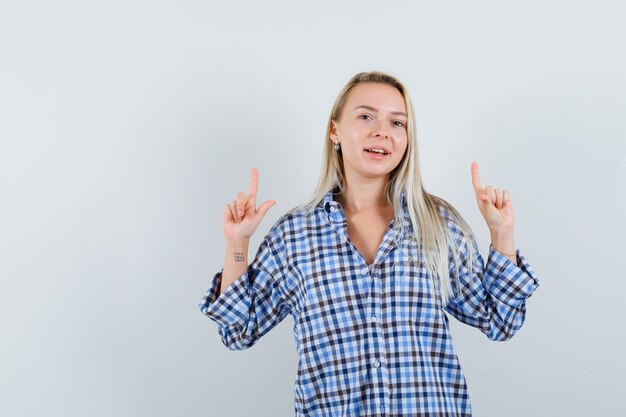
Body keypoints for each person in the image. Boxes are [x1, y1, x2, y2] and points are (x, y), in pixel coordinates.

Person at [198, 71, 540, 416]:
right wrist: (237, 243)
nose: (382, 132)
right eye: (365, 117)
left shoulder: (438, 224)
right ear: (335, 131)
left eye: (397, 122)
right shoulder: (294, 236)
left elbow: (501, 321)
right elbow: (238, 330)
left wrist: (502, 235)